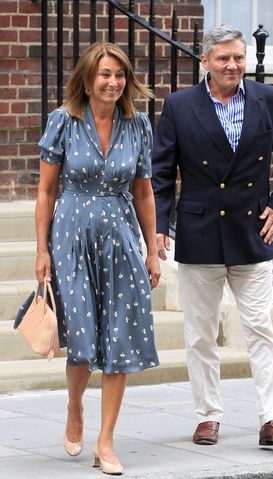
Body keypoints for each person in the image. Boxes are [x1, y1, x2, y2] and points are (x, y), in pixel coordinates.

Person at [152, 25, 273, 447]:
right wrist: (159, 227)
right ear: (205, 61)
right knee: (200, 333)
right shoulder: (179, 105)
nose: (233, 65)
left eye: (238, 57)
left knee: (260, 327)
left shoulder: (268, 99)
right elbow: (162, 173)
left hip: (252, 230)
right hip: (200, 233)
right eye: (223, 58)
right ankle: (207, 416)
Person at [35, 42, 160, 475]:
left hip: (120, 238)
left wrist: (152, 251)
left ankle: (105, 442)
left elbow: (144, 191)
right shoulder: (63, 122)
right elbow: (46, 192)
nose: (113, 82)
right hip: (71, 238)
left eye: (120, 75)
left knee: (120, 338)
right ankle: (75, 408)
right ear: (87, 80)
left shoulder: (138, 125)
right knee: (83, 342)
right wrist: (41, 250)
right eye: (105, 74)